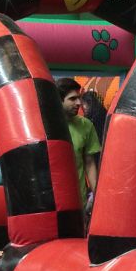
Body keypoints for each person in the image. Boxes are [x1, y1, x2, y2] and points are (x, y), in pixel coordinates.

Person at [58, 78, 102, 207]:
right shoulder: (44, 125)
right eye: (72, 99)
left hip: (78, 201)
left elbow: (89, 164)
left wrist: (98, 198)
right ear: (58, 100)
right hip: (51, 202)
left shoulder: (86, 125)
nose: (78, 103)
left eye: (79, 98)